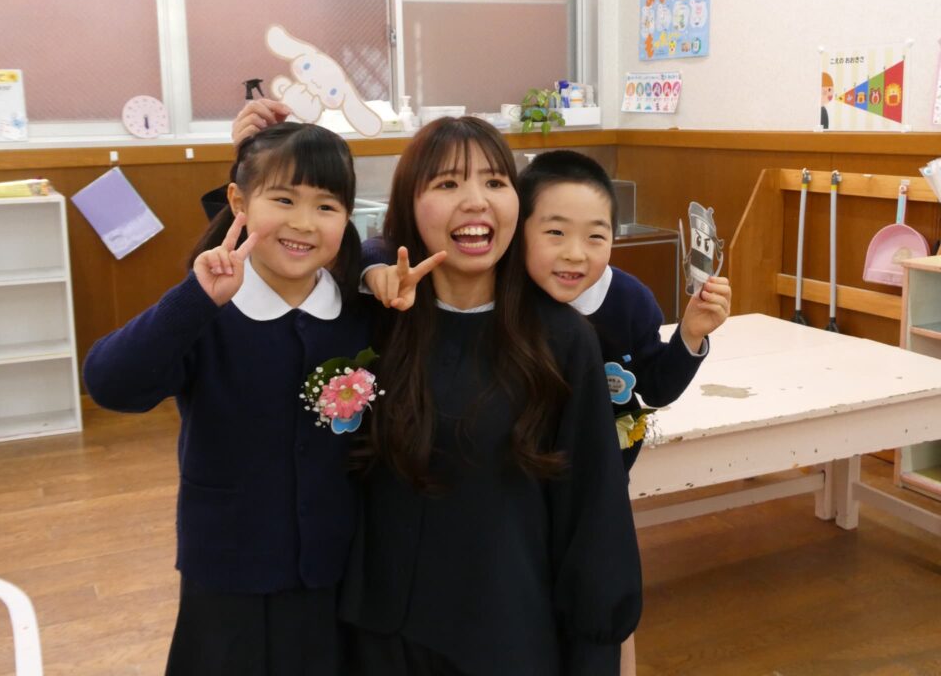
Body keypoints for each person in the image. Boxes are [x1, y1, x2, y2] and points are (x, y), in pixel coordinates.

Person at [340, 116, 642, 676]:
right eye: (447, 183)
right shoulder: (373, 322)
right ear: (410, 204)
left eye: (495, 182)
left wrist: (597, 641)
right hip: (384, 634)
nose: (476, 201)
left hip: (505, 630)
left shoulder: (560, 338)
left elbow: (592, 511)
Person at [83, 122, 372, 676]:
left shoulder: (359, 312)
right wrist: (193, 302)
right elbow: (111, 384)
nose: (303, 223)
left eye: (326, 206)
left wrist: (377, 268)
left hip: (333, 570)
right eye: (283, 199)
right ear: (239, 201)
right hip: (228, 569)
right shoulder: (209, 310)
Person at [517, 150, 731, 675]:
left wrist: (691, 335)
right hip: (519, 492)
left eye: (596, 236)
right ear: (518, 231)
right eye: (554, 232)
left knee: (606, 602)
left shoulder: (631, 300)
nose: (575, 254)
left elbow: (654, 387)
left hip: (602, 489)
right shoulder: (508, 298)